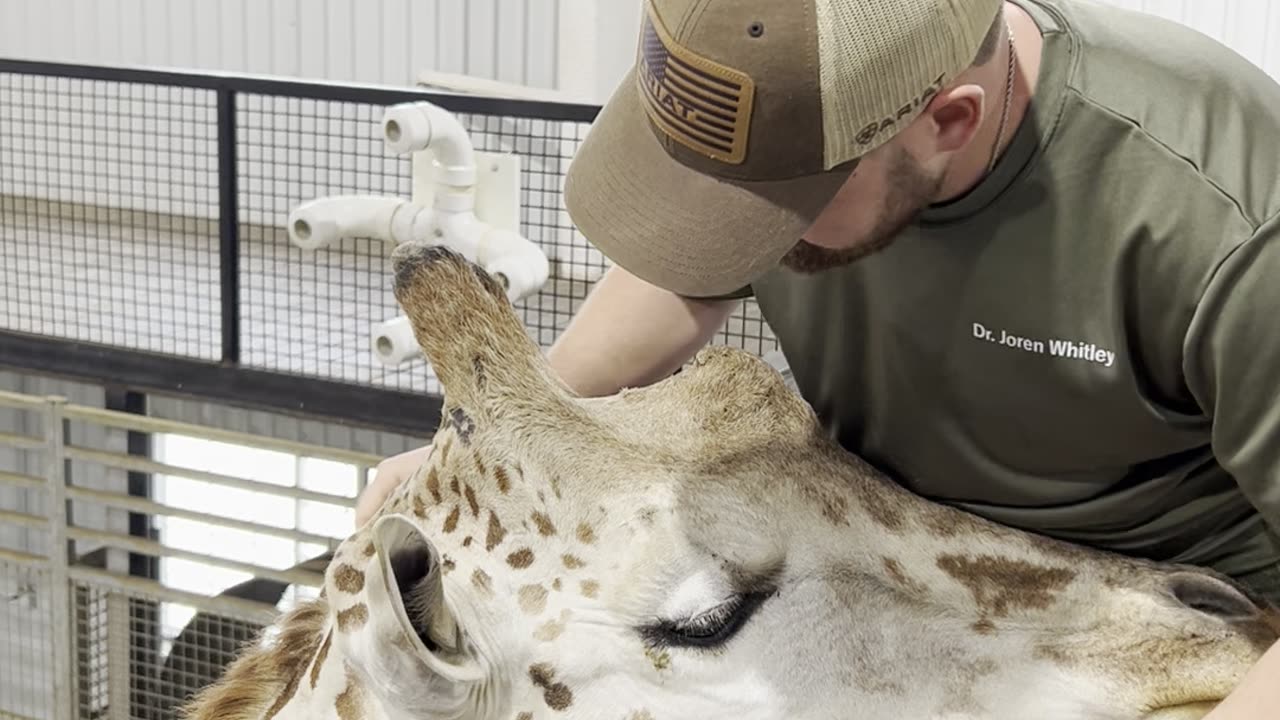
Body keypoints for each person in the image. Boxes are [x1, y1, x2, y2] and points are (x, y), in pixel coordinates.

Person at [361, 0, 1280, 713]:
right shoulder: (776, 100)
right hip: (883, 562)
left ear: (949, 122)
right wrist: (504, 443)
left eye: (775, 211)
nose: (736, 238)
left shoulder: (1224, 220)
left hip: (1163, 618)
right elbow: (690, 268)